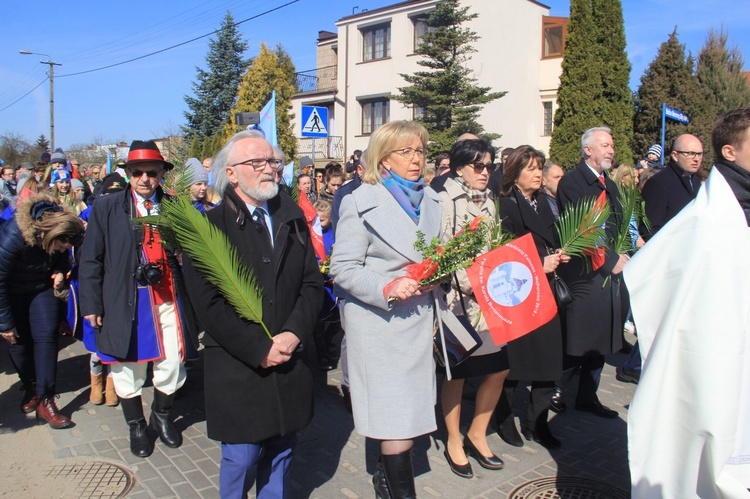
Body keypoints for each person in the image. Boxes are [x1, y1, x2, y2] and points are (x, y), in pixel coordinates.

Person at [181, 131, 323, 497]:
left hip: (290, 356)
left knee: (282, 450)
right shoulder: (209, 229)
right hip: (239, 365)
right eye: (255, 163)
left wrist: (293, 333)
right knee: (242, 458)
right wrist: (259, 348)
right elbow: (207, 305)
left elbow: (311, 284)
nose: (269, 170)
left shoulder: (292, 218)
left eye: (272, 162)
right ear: (231, 174)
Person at [626, 107, 750, 496]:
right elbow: (657, 260)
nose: (694, 160)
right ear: (730, 152)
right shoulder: (706, 220)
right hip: (710, 354)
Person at [330, 120, 443, 497]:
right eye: (405, 152)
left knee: (405, 417)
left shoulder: (431, 200)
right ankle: (399, 490)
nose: (416, 159)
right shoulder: (359, 201)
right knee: (395, 422)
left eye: (421, 151)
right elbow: (342, 268)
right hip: (379, 325)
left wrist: (437, 274)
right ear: (384, 159)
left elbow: (433, 256)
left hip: (417, 322)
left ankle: (383, 475)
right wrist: (387, 286)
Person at [79, 140, 198, 458]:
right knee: (128, 370)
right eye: (137, 172)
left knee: (173, 361)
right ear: (128, 173)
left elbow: (191, 251)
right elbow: (90, 259)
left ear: (161, 174)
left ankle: (161, 416)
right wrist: (91, 304)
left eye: (151, 172)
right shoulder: (106, 208)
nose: (145, 178)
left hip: (168, 297)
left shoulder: (174, 207)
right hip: (125, 301)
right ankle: (136, 425)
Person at [437, 139, 509, 478]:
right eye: (478, 166)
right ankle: (453, 439)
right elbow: (440, 251)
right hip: (457, 300)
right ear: (459, 167)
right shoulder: (443, 199)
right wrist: (472, 281)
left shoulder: (490, 200)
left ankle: (477, 433)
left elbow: (493, 246)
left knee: (499, 367)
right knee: (457, 372)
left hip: (489, 299)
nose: (484, 173)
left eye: (489, 166)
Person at [553, 126, 629, 419]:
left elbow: (616, 224)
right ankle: (555, 391)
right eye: (605, 145)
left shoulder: (606, 181)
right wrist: (610, 259)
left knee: (602, 339)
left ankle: (588, 396)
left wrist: (625, 249)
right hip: (586, 273)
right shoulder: (573, 182)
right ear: (588, 150)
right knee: (579, 339)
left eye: (611, 145)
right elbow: (583, 229)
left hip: (609, 273)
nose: (611, 150)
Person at [494, 146, 567, 449]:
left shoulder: (546, 203)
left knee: (549, 360)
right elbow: (503, 252)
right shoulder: (505, 205)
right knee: (516, 363)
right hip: (521, 293)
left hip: (547, 291)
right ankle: (504, 418)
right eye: (531, 169)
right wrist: (539, 263)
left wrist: (560, 251)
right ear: (514, 173)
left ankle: (536, 422)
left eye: (540, 168)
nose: (538, 174)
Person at [0, 194, 84, 428]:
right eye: (61, 244)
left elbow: (63, 257)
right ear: (47, 234)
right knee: (18, 343)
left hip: (41, 288)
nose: (64, 248)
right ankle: (31, 387)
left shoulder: (61, 228)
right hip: (11, 291)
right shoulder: (12, 235)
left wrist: (60, 269)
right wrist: (4, 323)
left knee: (46, 337)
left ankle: (46, 400)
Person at [639, 134, 703, 241]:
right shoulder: (658, 183)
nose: (696, 159)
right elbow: (649, 228)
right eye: (691, 154)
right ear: (675, 155)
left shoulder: (696, 181)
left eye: (700, 154)